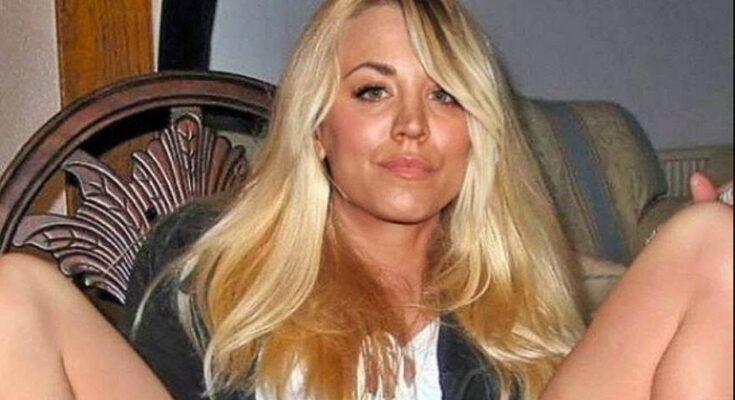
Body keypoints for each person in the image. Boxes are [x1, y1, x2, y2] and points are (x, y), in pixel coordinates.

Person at [0, 1, 731, 399]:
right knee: (16, 292)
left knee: (709, 240)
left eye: (445, 95)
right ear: (319, 126)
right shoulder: (210, 266)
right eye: (373, 91)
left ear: (476, 133)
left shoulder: (512, 289)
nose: (412, 125)